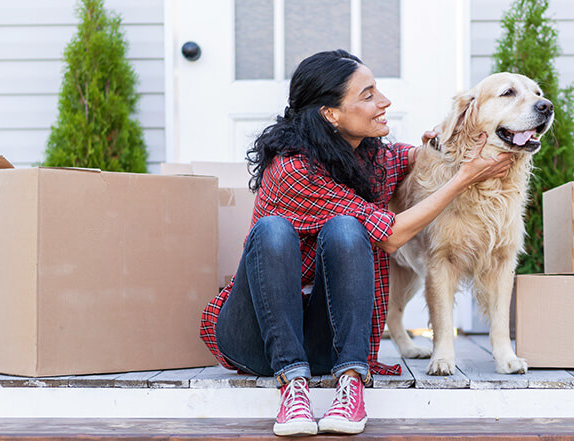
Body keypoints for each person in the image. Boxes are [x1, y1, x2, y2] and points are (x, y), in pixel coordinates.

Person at [199, 49, 512, 436]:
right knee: (274, 230)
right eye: (367, 95)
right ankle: (292, 388)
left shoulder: (369, 156)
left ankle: (350, 383)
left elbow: (412, 156)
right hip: (255, 337)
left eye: (378, 90)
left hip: (321, 340)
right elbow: (392, 233)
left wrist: (443, 140)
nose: (384, 101)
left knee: (346, 227)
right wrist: (463, 177)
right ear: (331, 114)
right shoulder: (293, 170)